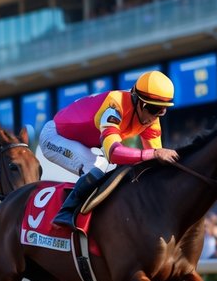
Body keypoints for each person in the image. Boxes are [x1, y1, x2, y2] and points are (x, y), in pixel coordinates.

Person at [39, 70, 178, 229]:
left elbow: (155, 163)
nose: (155, 116)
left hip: (84, 143)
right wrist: (153, 154)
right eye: (153, 108)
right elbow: (113, 153)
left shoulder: (152, 120)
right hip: (55, 136)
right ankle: (65, 213)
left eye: (162, 110)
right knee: (98, 165)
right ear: (136, 100)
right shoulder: (114, 105)